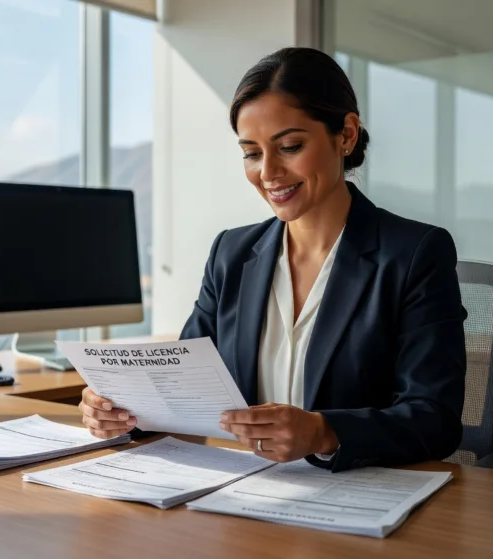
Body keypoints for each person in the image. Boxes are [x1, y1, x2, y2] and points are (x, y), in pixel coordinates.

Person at [78, 47, 467, 473]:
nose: (268, 172)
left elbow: (436, 420)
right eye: (251, 152)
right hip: (247, 494)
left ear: (347, 135)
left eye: (290, 146)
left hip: (362, 498)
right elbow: (184, 390)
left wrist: (324, 431)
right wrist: (126, 413)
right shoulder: (232, 254)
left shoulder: (414, 253)